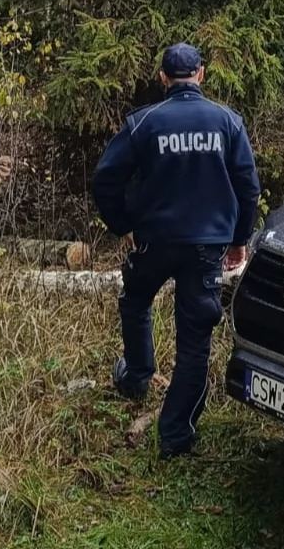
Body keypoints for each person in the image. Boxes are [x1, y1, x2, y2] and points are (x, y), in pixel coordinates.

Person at [91, 42, 261, 458]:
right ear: (201, 75)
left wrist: (124, 224)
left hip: (153, 242)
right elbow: (248, 188)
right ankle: (176, 437)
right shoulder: (228, 122)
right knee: (194, 343)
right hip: (206, 248)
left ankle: (136, 375)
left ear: (163, 78)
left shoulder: (143, 122)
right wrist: (239, 239)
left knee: (134, 302)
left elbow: (104, 179)